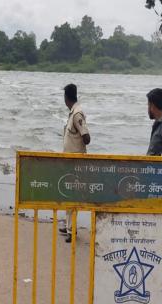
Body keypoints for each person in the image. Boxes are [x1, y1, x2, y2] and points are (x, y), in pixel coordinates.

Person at [60, 83, 91, 243]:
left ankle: (72, 231)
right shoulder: (73, 113)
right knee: (68, 192)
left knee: (72, 195)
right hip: (70, 161)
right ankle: (67, 226)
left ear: (66, 98)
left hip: (76, 162)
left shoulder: (77, 114)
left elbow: (87, 137)